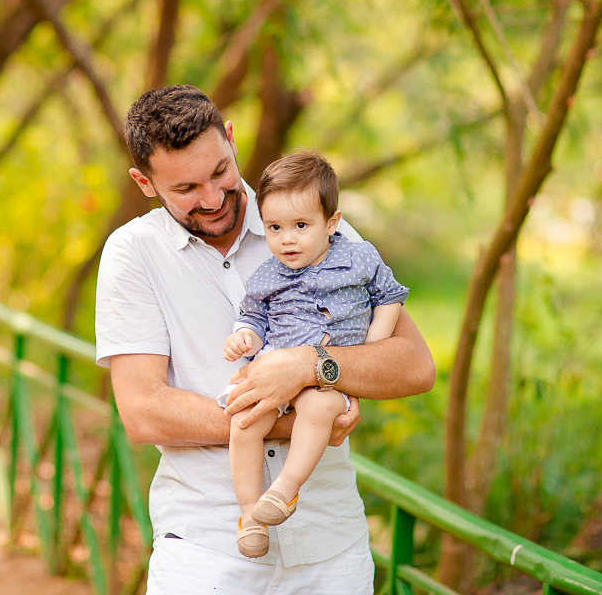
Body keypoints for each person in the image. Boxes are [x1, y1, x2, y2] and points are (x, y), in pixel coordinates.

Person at [95, 85, 435, 595]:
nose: (212, 199)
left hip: (331, 547)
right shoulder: (132, 254)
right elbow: (144, 410)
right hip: (206, 550)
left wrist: (311, 366)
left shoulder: (321, 228)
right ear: (145, 182)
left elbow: (413, 365)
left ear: (231, 140)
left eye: (219, 172)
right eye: (186, 189)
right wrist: (297, 418)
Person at [220, 150, 410, 559]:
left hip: (325, 374)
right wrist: (244, 337)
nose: (286, 239)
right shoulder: (268, 273)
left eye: (301, 226)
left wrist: (370, 350)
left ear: (332, 222)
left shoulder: (359, 259)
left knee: (319, 409)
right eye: (274, 228)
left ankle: (284, 491)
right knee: (244, 421)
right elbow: (253, 314)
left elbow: (389, 297)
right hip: (272, 369)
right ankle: (249, 515)